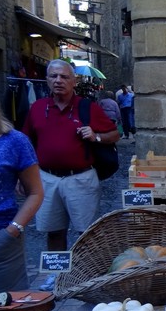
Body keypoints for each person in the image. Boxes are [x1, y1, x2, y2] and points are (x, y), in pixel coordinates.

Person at [22, 59, 120, 290]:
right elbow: (26, 141)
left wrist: (95, 136)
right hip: (47, 178)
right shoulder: (37, 109)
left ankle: (86, 274)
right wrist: (23, 176)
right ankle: (56, 277)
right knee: (53, 230)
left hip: (81, 177)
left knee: (86, 232)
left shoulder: (87, 108)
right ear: (46, 80)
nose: (58, 81)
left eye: (64, 77)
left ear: (74, 81)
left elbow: (115, 134)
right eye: (53, 76)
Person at [0, 99, 44, 311]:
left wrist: (13, 229)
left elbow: (35, 192)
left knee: (5, 308)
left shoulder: (15, 142)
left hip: (2, 238)